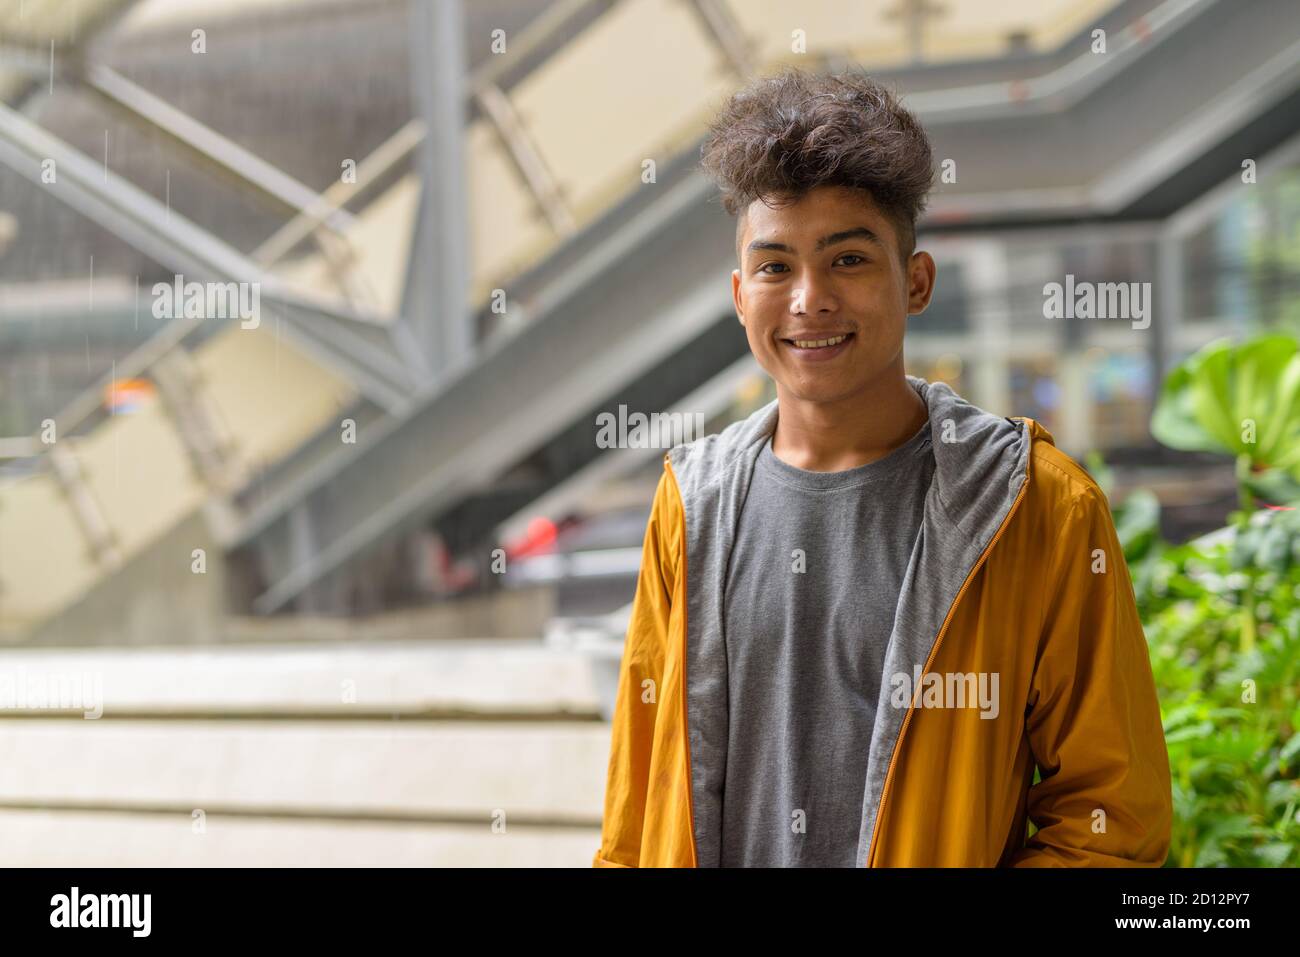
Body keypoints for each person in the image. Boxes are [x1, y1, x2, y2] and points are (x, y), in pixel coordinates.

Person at [592, 66, 1171, 868]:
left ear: (918, 282)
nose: (808, 299)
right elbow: (633, 823)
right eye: (774, 267)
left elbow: (1113, 817)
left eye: (849, 259)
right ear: (739, 295)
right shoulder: (690, 505)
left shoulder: (1038, 506)